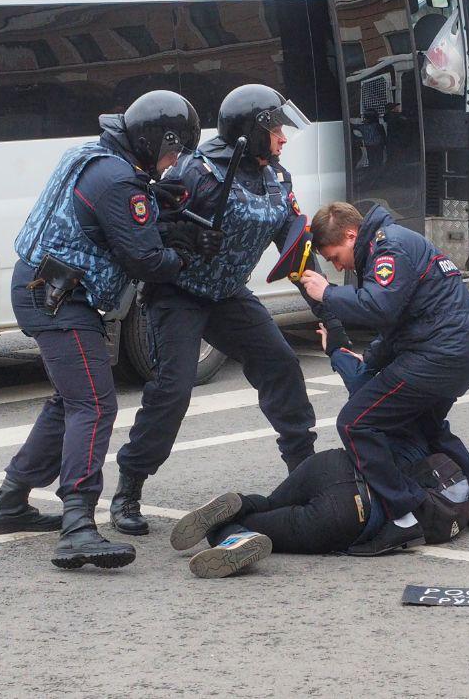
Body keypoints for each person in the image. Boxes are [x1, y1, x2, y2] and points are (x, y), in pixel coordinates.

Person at [0, 90, 213, 570]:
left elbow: (106, 220)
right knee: (94, 401)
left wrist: (153, 198)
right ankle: (78, 527)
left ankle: (10, 503)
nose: (174, 164)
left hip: (45, 285)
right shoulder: (119, 183)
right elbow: (145, 258)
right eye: (173, 152)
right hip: (60, 298)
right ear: (155, 140)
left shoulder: (97, 156)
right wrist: (186, 253)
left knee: (70, 399)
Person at [109, 84, 318, 536]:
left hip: (227, 294)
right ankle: (129, 486)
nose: (284, 139)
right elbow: (143, 222)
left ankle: (305, 470)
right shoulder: (195, 172)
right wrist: (182, 235)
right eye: (277, 129)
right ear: (251, 131)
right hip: (179, 292)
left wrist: (330, 316)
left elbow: (296, 249)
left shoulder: (277, 177)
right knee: (174, 387)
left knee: (281, 362)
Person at [168, 326, 469, 578]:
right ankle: (232, 536)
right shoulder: (432, 421)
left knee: (271, 503)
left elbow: (356, 374)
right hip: (354, 512)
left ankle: (239, 502)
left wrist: (335, 348)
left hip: (330, 465)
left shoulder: (384, 392)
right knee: (258, 526)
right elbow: (460, 466)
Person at [298, 202, 469, 555]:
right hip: (462, 350)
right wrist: (369, 361)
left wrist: (328, 293)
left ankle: (404, 518)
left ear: (351, 235)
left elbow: (380, 307)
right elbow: (397, 324)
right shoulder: (393, 242)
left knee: (355, 424)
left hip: (439, 355)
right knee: (427, 425)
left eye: (335, 257)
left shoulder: (389, 248)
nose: (337, 266)